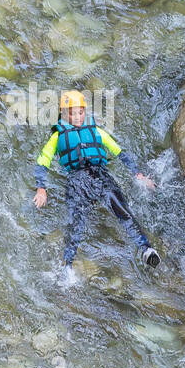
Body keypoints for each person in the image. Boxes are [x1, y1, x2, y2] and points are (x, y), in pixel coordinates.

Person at [33, 90, 160, 268]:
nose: (77, 117)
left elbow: (119, 152)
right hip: (77, 181)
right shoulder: (57, 136)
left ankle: (146, 249)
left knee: (121, 208)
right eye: (72, 112)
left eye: (80, 112)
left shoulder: (96, 131)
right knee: (76, 222)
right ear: (63, 113)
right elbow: (42, 162)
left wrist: (138, 174)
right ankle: (67, 266)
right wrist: (41, 188)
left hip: (101, 176)